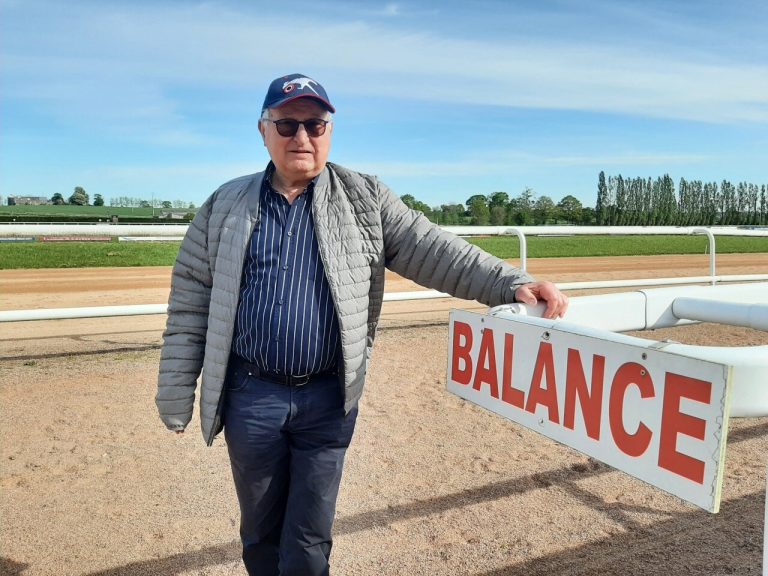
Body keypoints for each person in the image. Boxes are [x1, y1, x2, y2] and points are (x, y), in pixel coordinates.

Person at [156, 73, 568, 576]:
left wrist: (510, 283)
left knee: (309, 537)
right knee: (260, 531)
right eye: (286, 124)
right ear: (262, 130)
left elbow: (434, 249)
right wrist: (176, 396)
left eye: (315, 124)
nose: (301, 138)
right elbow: (191, 303)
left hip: (329, 398)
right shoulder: (224, 204)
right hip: (252, 396)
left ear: (330, 130)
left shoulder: (365, 199)